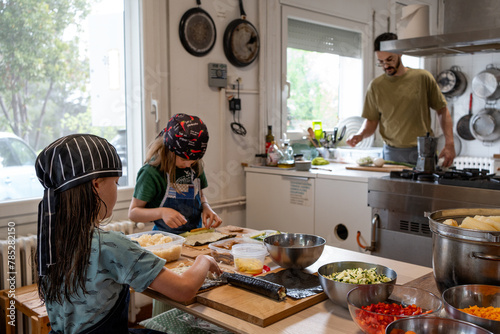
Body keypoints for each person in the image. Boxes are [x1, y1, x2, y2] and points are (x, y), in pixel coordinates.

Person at [35, 134, 221, 334]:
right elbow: (183, 289)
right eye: (116, 182)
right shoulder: (110, 245)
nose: (117, 188)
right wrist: (204, 260)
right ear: (96, 185)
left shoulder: (52, 240)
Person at [346, 32, 456, 167]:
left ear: (400, 53)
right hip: (390, 154)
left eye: (390, 59)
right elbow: (372, 121)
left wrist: (449, 143)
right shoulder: (375, 86)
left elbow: (442, 110)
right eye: (381, 62)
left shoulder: (422, 77)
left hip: (422, 153)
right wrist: (360, 135)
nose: (386, 66)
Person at [128, 113, 222, 234]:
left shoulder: (195, 166)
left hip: (195, 235)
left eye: (192, 161)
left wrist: (206, 207)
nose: (188, 165)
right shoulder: (151, 172)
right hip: (165, 238)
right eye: (183, 160)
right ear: (170, 150)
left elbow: (201, 195)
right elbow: (133, 213)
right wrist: (162, 212)